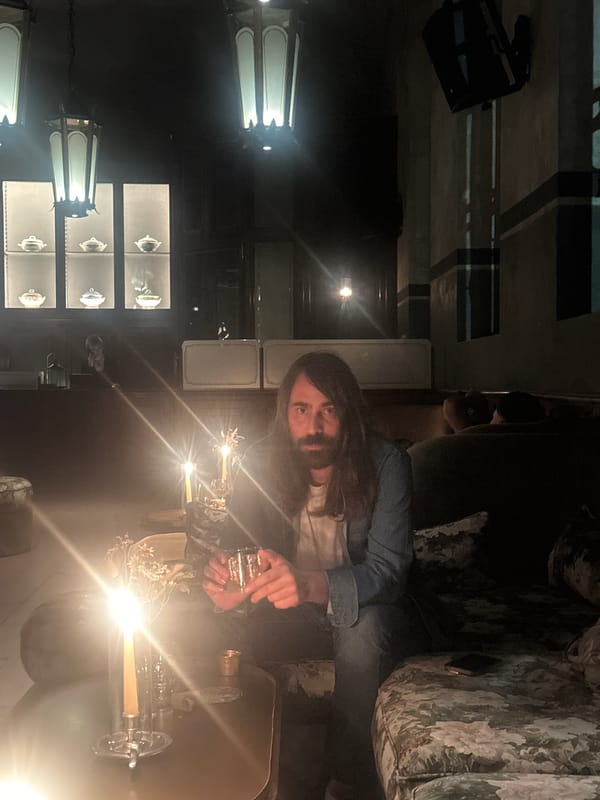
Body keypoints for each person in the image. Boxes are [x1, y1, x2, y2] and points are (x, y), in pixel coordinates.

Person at [202, 352, 453, 800]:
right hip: (288, 612)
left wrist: (309, 585)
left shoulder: (387, 463)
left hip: (372, 611)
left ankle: (348, 785)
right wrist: (226, 586)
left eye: (327, 410)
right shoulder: (257, 463)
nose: (313, 426)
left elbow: (389, 572)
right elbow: (235, 547)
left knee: (364, 627)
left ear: (349, 413)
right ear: (285, 415)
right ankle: (241, 775)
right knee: (208, 626)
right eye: (301, 410)